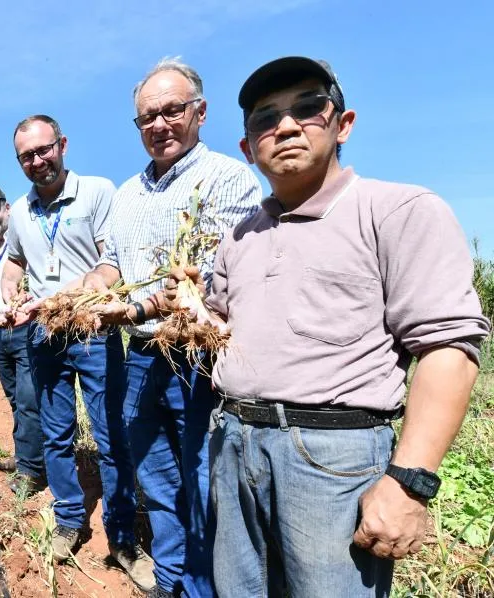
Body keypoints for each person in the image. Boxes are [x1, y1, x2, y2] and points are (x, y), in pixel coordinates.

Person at [202, 56, 491, 596]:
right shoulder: (238, 237)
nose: (287, 127)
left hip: (332, 457)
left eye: (308, 108)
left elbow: (449, 348)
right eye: (266, 118)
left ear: (344, 124)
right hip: (234, 442)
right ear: (247, 147)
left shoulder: (398, 210)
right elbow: (219, 324)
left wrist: (409, 482)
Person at [82, 58, 262, 598]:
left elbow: (208, 279)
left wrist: (137, 309)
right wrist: (91, 287)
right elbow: (112, 261)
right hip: (141, 355)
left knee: (204, 482)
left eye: (172, 111)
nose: (159, 125)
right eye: (147, 117)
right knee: (156, 475)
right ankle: (169, 579)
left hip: (197, 357)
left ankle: (203, 588)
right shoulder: (126, 194)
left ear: (199, 113)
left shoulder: (228, 177)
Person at [0, 115, 154, 591]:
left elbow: (112, 262)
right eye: (26, 156)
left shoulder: (97, 192)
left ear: (62, 144)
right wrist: (10, 290)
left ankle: (122, 536)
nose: (37, 161)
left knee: (112, 436)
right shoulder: (20, 212)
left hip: (94, 330)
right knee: (56, 432)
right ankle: (68, 517)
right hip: (44, 334)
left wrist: (70, 298)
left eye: (43, 150)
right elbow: (13, 261)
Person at [0, 182, 46, 496]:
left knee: (29, 401)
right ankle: (25, 455)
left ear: (7, 208)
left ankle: (32, 472)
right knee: (16, 399)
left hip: (26, 329)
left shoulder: (27, 240)